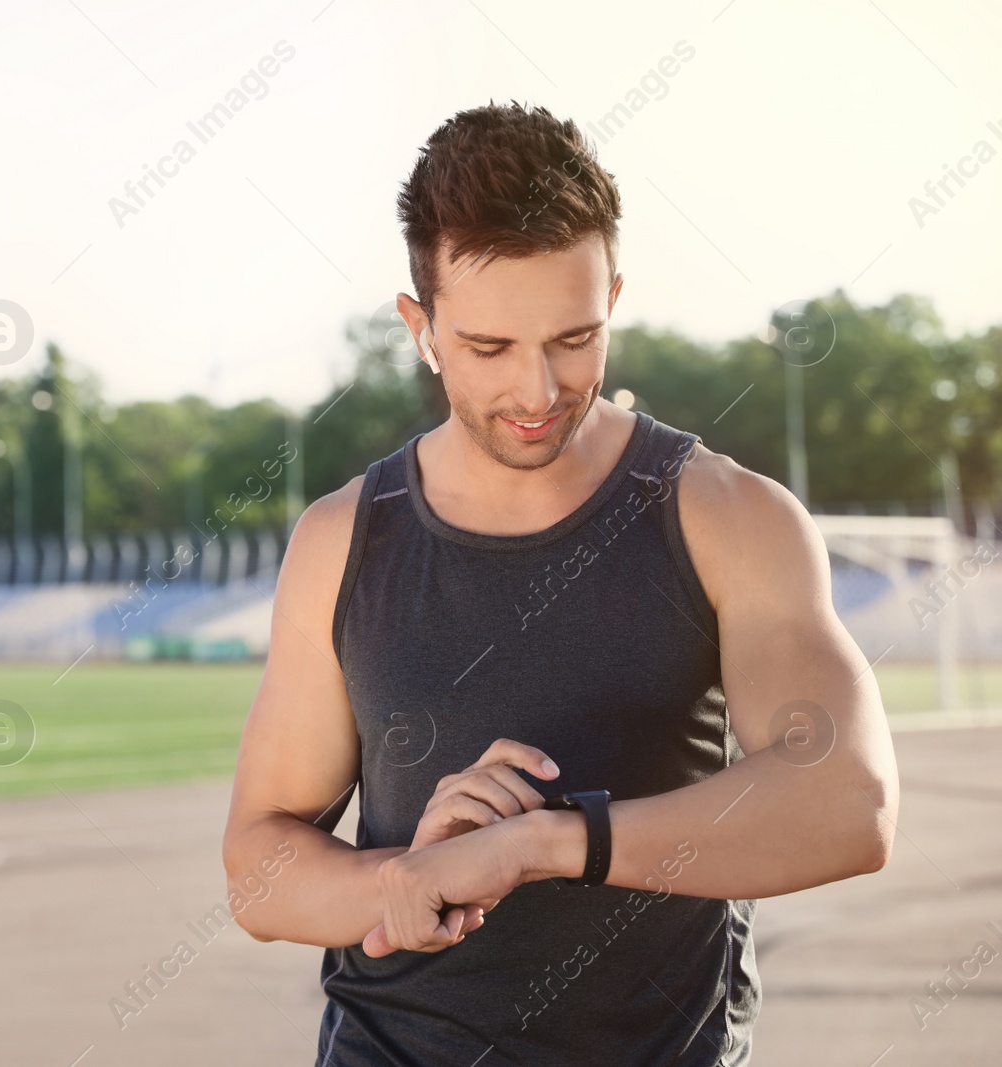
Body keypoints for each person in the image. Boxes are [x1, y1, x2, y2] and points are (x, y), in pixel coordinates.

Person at [221, 102, 899, 1066]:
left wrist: (544, 843)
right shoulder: (342, 540)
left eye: (574, 339)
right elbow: (258, 863)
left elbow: (849, 803)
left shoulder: (726, 516)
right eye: (491, 348)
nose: (539, 391)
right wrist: (400, 884)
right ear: (422, 327)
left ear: (613, 298)